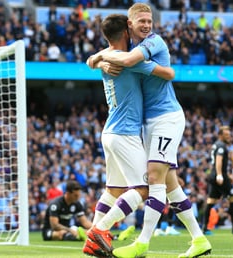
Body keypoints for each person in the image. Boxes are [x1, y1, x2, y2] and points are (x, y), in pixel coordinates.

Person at [91, 3, 211, 258]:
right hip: (147, 124)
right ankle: (199, 239)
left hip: (166, 118)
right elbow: (103, 56)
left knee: (153, 179)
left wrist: (101, 58)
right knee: (170, 185)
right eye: (141, 21)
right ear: (129, 25)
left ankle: (142, 243)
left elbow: (144, 65)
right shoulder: (127, 48)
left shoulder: (152, 42)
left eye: (149, 20)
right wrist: (98, 60)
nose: (146, 25)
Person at [82, 13, 176, 257]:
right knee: (143, 189)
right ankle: (99, 230)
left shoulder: (109, 58)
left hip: (110, 131)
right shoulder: (126, 61)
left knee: (113, 189)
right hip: (125, 133)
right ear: (126, 31)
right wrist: (99, 58)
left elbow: (92, 59)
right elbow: (168, 74)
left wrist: (97, 58)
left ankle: (92, 238)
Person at [202, 125, 233, 235]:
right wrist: (220, 175)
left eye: (229, 135)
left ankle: (204, 228)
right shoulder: (222, 146)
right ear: (220, 135)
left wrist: (225, 175)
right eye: (226, 135)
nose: (228, 137)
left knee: (211, 201)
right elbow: (219, 160)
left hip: (215, 175)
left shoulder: (217, 145)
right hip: (219, 176)